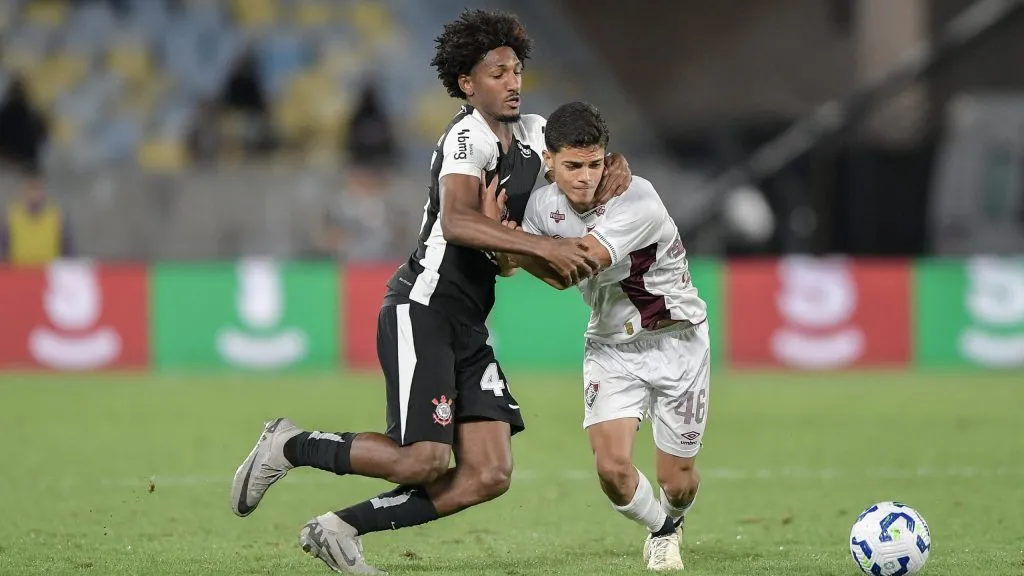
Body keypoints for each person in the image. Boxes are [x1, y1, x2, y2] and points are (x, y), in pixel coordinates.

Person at [230, 10, 633, 574]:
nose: (513, 82)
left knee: (489, 473)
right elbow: (459, 223)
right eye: (497, 73)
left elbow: (571, 167)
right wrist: (547, 249)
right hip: (423, 308)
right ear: (468, 84)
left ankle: (340, 528)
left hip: (468, 322)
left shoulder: (536, 134)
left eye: (516, 70)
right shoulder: (467, 137)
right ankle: (290, 445)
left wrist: (609, 171)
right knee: (421, 459)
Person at [496, 102, 710, 571]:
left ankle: (672, 516)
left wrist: (512, 240)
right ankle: (663, 533)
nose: (585, 177)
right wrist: (506, 241)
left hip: (678, 342)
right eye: (572, 165)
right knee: (612, 469)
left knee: (678, 483)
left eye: (594, 164)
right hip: (612, 346)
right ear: (548, 161)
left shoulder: (639, 200)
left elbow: (571, 270)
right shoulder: (542, 206)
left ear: (607, 157)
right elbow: (515, 267)